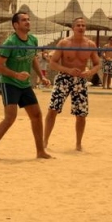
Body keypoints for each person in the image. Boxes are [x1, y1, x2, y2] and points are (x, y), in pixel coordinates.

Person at [0, 11, 52, 160]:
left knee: (37, 115)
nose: (28, 22)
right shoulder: (10, 42)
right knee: (10, 117)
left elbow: (33, 59)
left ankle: (40, 151)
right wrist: (15, 74)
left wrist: (42, 77)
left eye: (28, 19)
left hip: (25, 84)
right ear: (16, 25)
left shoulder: (33, 40)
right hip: (10, 83)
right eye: (24, 20)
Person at [43, 17, 101, 151]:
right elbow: (52, 63)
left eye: (83, 25)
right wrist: (68, 70)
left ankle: (78, 144)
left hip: (80, 80)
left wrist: (90, 71)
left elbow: (98, 64)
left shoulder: (90, 45)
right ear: (73, 28)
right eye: (78, 25)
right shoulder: (64, 43)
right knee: (53, 109)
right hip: (64, 78)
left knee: (81, 114)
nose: (81, 27)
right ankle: (45, 140)